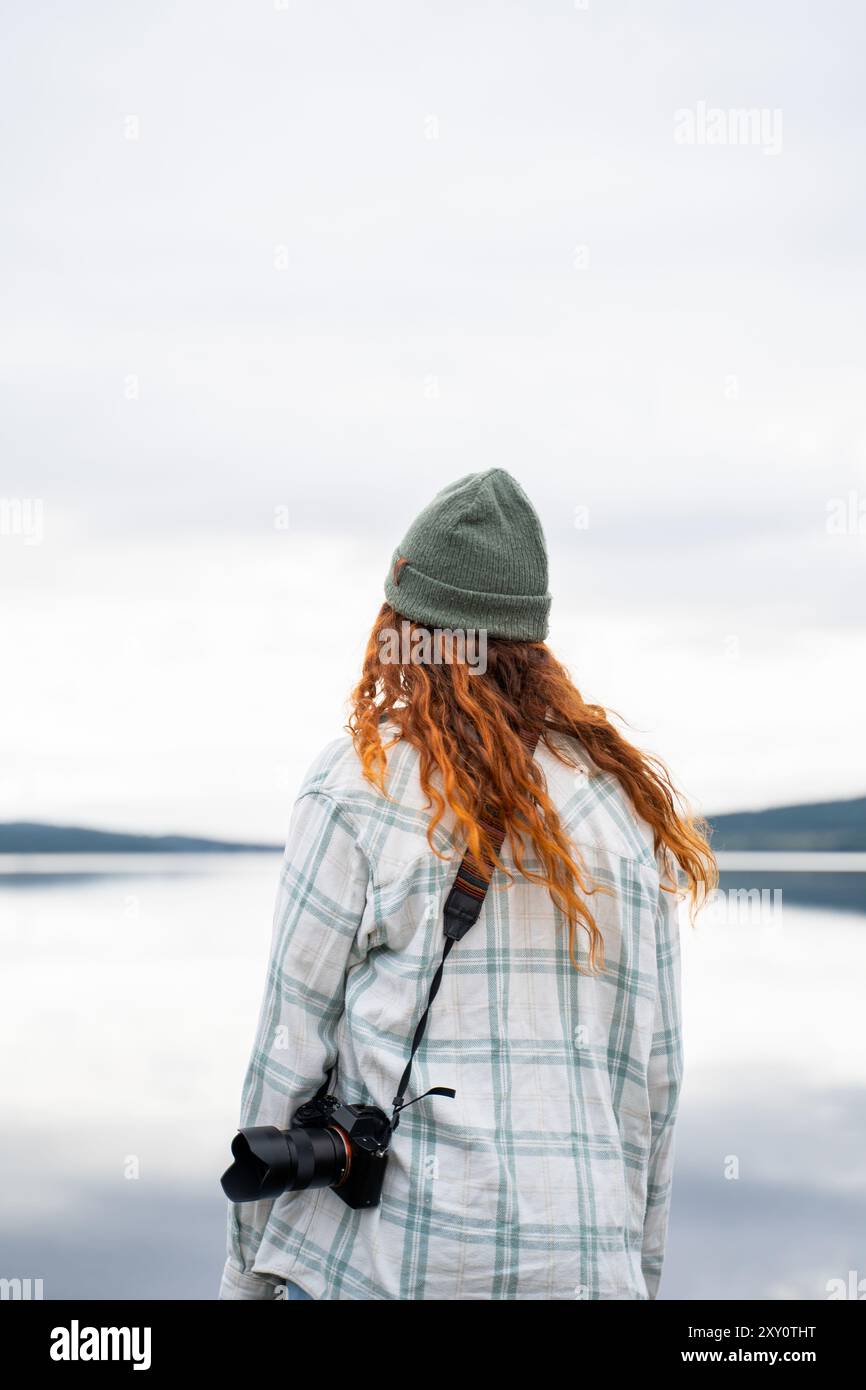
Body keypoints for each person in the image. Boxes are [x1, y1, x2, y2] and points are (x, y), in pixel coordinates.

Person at [218, 468, 716, 1301]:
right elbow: (651, 1081)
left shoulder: (357, 787)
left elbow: (288, 1049)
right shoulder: (621, 806)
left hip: (396, 1266)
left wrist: (245, 1272)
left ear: (403, 627)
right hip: (587, 1270)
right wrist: (639, 1269)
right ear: (532, 639)